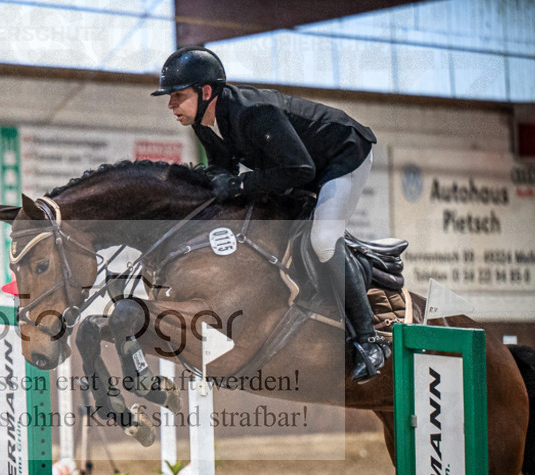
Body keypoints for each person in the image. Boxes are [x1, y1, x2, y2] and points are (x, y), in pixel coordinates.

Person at [152, 46, 386, 383]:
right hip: (299, 167)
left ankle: (369, 339)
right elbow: (222, 166)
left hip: (343, 154)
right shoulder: (204, 123)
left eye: (177, 95)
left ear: (205, 92)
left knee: (322, 239)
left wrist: (240, 185)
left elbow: (300, 169)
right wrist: (218, 182)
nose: (170, 105)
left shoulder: (254, 113)